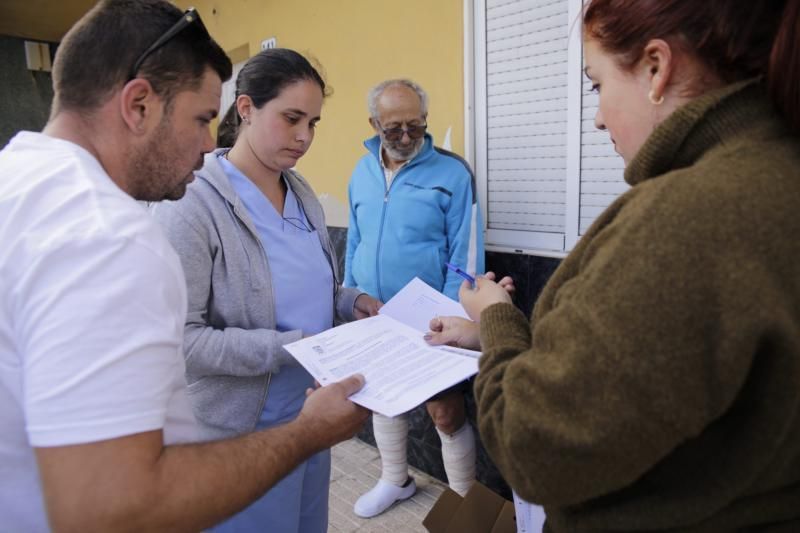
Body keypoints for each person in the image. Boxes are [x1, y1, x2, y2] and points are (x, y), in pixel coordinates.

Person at [0, 2, 368, 532]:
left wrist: (343, 304)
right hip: (236, 442)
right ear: (139, 104)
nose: (206, 145)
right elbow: (117, 505)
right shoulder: (111, 236)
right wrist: (305, 426)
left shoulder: (24, 180)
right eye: (201, 119)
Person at [457, 0, 800, 531]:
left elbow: (533, 447)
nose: (595, 117)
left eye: (596, 84)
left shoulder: (689, 219)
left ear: (657, 68)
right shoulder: (773, 174)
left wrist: (495, 319)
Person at [151, 48, 381, 533]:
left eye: (314, 123)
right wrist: (293, 348)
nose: (305, 137)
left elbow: (315, 287)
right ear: (246, 109)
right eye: (292, 118)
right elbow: (181, 340)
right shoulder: (192, 205)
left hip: (311, 420)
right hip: (238, 437)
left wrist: (349, 301)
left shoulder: (301, 194)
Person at [344, 78, 485, 518]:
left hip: (434, 318)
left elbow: (466, 252)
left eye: (416, 127)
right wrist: (351, 295)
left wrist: (446, 316)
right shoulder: (360, 173)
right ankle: (395, 479)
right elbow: (355, 240)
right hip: (376, 311)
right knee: (384, 399)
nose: (406, 138)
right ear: (374, 125)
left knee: (445, 412)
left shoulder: (452, 173)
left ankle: (465, 502)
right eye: (394, 129)